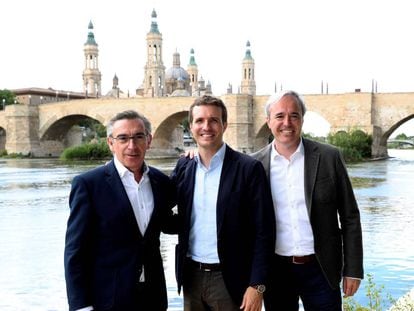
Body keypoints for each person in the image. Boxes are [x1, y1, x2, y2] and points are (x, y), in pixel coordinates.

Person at [251, 90, 364, 310]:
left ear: (302, 119)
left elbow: (350, 217)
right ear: (268, 121)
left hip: (321, 268)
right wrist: (195, 155)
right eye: (280, 116)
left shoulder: (329, 157)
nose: (287, 122)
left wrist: (353, 269)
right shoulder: (254, 165)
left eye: (294, 115)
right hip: (276, 271)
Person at [64, 110, 178, 311]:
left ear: (149, 140)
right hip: (108, 299)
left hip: (153, 298)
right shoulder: (89, 185)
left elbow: (170, 223)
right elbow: (75, 251)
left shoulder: (161, 182)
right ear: (110, 143)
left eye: (138, 137)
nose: (131, 146)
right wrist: (81, 306)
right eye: (123, 138)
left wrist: (193, 160)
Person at [171, 95, 275, 311]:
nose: (206, 126)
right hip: (191, 277)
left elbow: (264, 231)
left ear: (224, 125)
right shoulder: (184, 167)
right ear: (191, 126)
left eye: (213, 120)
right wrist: (120, 169)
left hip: (232, 279)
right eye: (199, 121)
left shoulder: (248, 169)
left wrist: (258, 285)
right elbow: (160, 204)